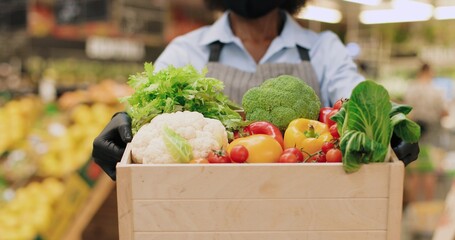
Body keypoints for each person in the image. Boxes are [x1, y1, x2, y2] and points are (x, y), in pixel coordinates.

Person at [92, 0, 419, 180]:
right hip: (205, 213)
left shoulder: (322, 49)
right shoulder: (188, 50)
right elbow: (146, 102)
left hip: (308, 210)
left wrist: (386, 121)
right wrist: (124, 119)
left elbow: (356, 92)